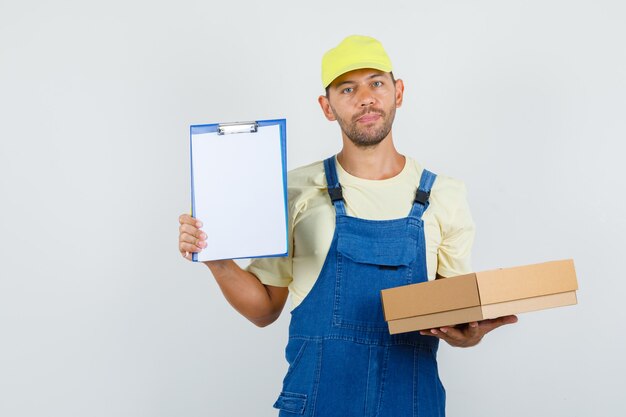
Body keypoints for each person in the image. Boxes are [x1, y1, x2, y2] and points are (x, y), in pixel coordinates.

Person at [178, 35, 517, 417]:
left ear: (398, 92)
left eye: (376, 83)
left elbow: (450, 313)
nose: (365, 98)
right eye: (347, 88)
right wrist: (216, 259)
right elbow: (264, 310)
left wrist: (467, 335)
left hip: (411, 405)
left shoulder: (445, 195)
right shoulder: (294, 191)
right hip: (318, 404)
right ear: (327, 107)